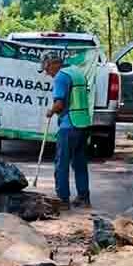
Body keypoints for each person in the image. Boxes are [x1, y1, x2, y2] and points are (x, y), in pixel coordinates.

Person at [42, 52, 92, 209]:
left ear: (53, 64)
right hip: (83, 124)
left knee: (61, 163)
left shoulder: (61, 77)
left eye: (46, 68)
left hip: (68, 125)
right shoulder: (77, 72)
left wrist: (51, 111)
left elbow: (60, 104)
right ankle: (84, 198)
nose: (46, 72)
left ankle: (63, 200)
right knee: (80, 163)